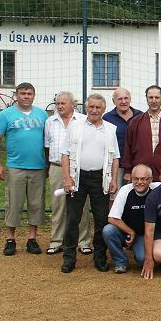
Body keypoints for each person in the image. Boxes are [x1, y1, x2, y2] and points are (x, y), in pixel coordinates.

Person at [60, 94, 119, 273]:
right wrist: (67, 178)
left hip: (100, 179)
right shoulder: (75, 126)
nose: (94, 110)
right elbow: (65, 154)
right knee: (72, 219)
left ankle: (100, 257)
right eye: (91, 107)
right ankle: (69, 258)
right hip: (78, 178)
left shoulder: (110, 129)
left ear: (104, 109)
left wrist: (113, 179)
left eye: (98, 108)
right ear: (86, 108)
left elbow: (115, 157)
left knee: (101, 220)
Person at [0, 82, 47, 256]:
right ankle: (10, 239)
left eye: (29, 93)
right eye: (23, 93)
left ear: (34, 95)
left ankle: (32, 238)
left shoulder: (42, 114)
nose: (26, 96)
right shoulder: (6, 114)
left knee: (36, 204)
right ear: (16, 95)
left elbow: (50, 140)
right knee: (13, 203)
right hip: (15, 167)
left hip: (38, 167)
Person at [44, 91, 92, 255]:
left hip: (79, 168)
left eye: (63, 103)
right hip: (57, 167)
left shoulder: (84, 120)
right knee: (58, 206)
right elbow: (47, 146)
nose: (60, 106)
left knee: (82, 206)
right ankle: (56, 241)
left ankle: (83, 241)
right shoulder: (50, 121)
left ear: (73, 104)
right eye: (57, 103)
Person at [123, 85, 161, 182]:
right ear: (146, 98)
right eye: (150, 97)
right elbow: (128, 147)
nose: (154, 101)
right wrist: (128, 171)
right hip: (141, 176)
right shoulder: (135, 122)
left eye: (157, 97)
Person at [102, 164, 154, 273]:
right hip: (125, 231)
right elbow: (112, 218)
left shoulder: (156, 189)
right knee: (108, 230)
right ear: (131, 179)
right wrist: (131, 231)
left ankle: (137, 251)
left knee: (142, 260)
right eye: (136, 179)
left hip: (143, 235)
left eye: (143, 179)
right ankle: (120, 261)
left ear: (151, 179)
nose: (139, 182)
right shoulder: (125, 190)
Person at [103, 87, 142, 189]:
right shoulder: (107, 118)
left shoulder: (140, 116)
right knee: (114, 196)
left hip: (137, 166)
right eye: (120, 99)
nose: (123, 102)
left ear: (130, 99)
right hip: (116, 167)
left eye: (126, 98)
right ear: (114, 101)